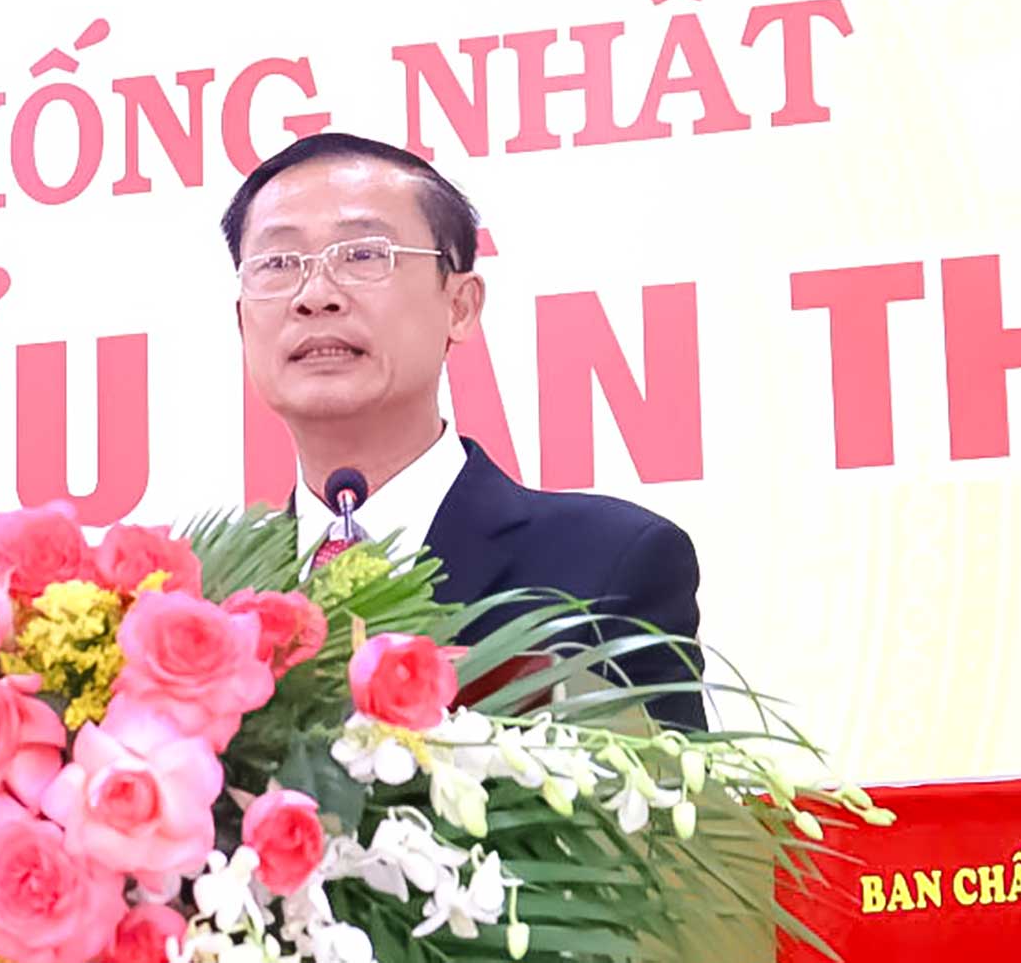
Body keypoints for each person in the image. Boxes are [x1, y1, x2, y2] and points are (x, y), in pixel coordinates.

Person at [221, 133, 707, 730]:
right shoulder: (204, 607)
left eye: (364, 255)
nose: (315, 296)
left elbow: (666, 815)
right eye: (277, 264)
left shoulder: (610, 563)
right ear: (243, 323)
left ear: (461, 306)